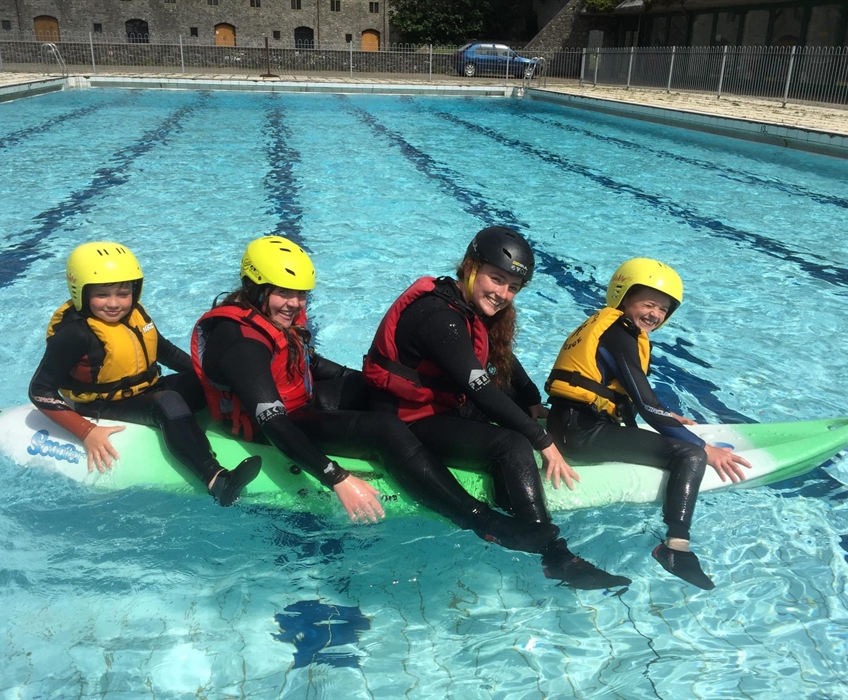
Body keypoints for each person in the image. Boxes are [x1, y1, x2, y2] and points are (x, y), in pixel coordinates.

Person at [191, 235, 554, 550]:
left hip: (300, 403)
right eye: (285, 293)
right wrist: (337, 478)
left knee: (378, 397)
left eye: (301, 294)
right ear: (255, 287)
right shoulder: (240, 342)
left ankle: (428, 450)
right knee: (385, 428)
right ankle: (481, 520)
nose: (296, 304)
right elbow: (272, 422)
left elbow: (307, 363)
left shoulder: (269, 316)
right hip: (276, 426)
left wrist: (367, 381)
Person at [363, 226, 631, 590]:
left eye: (512, 288)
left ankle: (531, 532)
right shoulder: (439, 317)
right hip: (406, 420)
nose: (502, 294)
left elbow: (503, 358)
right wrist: (542, 441)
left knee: (511, 434)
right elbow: (481, 389)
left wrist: (531, 400)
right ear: (471, 266)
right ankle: (554, 555)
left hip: (439, 408)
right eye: (496, 279)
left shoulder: (469, 307)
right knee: (513, 444)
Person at [545, 258, 752, 590]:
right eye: (649, 303)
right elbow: (648, 406)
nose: (655, 314)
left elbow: (626, 398)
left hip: (571, 424)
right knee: (690, 456)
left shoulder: (610, 329)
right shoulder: (620, 334)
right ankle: (675, 549)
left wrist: (671, 419)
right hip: (581, 433)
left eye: (664, 309)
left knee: (679, 442)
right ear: (623, 297)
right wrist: (703, 446)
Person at [29, 241, 261, 506]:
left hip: (145, 390)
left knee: (211, 376)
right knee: (168, 402)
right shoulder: (74, 334)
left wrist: (207, 378)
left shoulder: (135, 314)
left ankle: (259, 430)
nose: (114, 303)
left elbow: (167, 353)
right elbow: (40, 389)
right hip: (103, 406)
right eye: (102, 295)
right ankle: (217, 479)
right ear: (80, 292)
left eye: (123, 293)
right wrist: (86, 431)